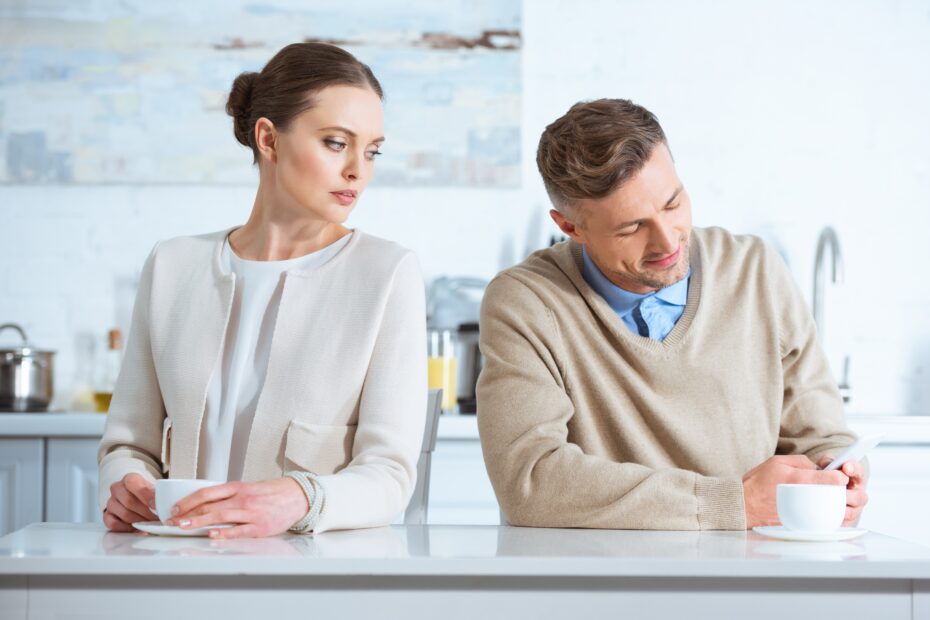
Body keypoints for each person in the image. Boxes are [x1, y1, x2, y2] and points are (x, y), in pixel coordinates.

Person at [476, 98, 866, 530]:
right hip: (598, 582)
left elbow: (821, 437)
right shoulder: (528, 302)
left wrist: (837, 471)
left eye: (673, 203)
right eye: (631, 227)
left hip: (753, 578)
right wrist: (732, 503)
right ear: (571, 227)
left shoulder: (756, 271)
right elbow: (530, 482)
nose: (667, 242)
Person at [97, 42, 426, 538]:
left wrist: (299, 499)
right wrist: (129, 487)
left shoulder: (386, 273)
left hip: (306, 575)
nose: (359, 169)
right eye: (337, 143)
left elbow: (390, 473)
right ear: (268, 140)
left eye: (373, 150)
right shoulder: (172, 265)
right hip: (171, 562)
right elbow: (128, 445)